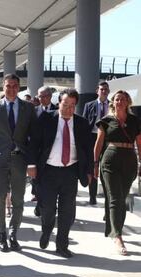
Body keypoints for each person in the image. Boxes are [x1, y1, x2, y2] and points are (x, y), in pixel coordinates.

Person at [29, 88, 93, 258]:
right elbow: (34, 143)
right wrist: (31, 165)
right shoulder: (45, 118)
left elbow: (87, 149)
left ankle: (62, 245)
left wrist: (89, 171)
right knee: (48, 209)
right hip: (48, 171)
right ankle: (46, 229)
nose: (69, 109)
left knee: (67, 211)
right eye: (66, 104)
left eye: (73, 105)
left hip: (70, 171)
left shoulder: (81, 123)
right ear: (59, 103)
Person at [0, 73, 36, 253]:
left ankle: (14, 233)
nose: (11, 89)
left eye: (15, 86)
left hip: (20, 160)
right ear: (3, 88)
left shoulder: (28, 108)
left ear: (19, 87)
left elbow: (33, 137)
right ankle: (1, 233)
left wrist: (32, 162)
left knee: (18, 199)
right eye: (8, 86)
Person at [94, 90, 141, 256]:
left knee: (122, 198)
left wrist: (140, 163)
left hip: (129, 161)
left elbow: (140, 143)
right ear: (112, 102)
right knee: (115, 198)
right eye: (117, 99)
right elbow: (99, 144)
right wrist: (94, 164)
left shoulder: (135, 121)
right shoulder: (106, 121)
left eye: (123, 99)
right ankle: (118, 236)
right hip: (110, 160)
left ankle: (113, 228)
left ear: (128, 102)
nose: (119, 101)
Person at [83, 81, 110, 205]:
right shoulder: (89, 105)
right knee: (92, 166)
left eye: (106, 89)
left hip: (108, 139)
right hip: (92, 138)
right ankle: (92, 196)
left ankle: (107, 195)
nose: (104, 91)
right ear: (97, 91)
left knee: (106, 166)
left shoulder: (112, 106)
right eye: (101, 89)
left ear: (108, 91)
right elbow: (84, 123)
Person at [33, 86, 58, 215]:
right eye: (39, 96)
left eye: (44, 96)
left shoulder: (58, 111)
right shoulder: (33, 111)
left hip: (53, 154)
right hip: (37, 154)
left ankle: (50, 206)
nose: (41, 99)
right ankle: (40, 203)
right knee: (37, 182)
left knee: (50, 183)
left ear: (50, 96)